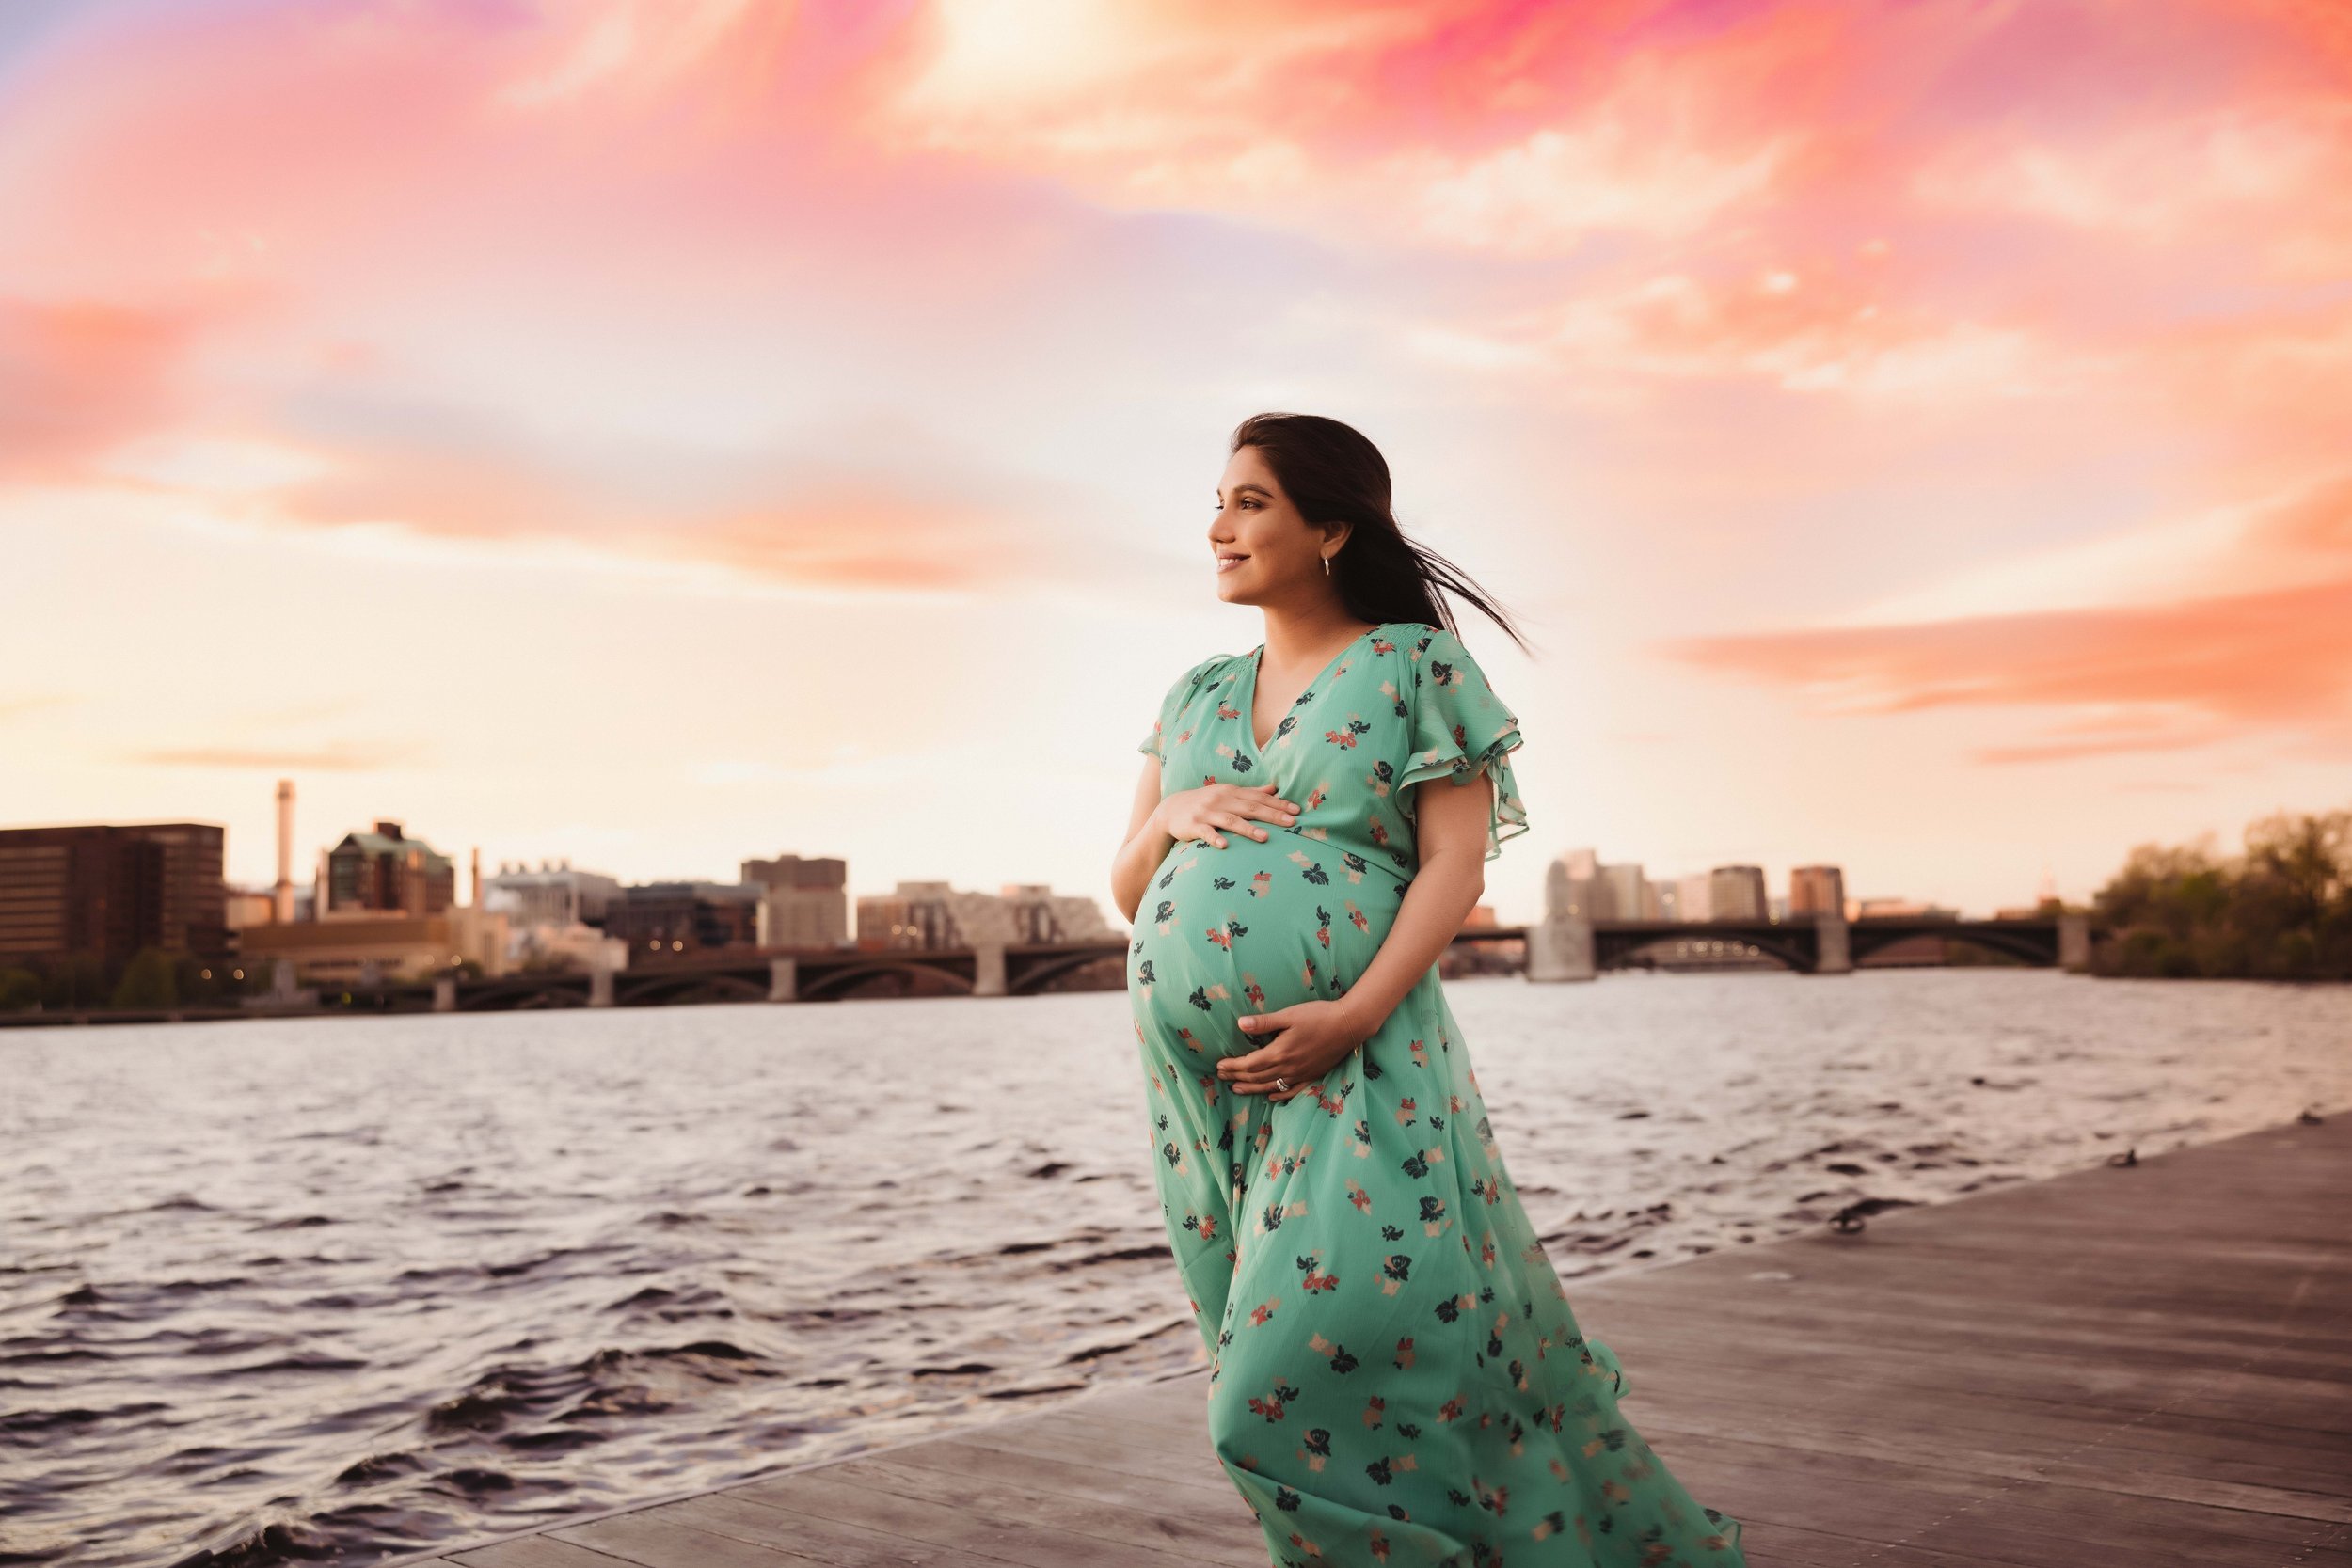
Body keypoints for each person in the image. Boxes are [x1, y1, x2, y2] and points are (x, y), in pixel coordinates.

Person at [1109, 413, 1749, 1566]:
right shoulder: (1193, 692)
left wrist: (1351, 1012)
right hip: (1203, 1094)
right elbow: (1123, 889)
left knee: (1271, 1394)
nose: (1218, 526)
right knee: (1331, 1383)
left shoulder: (1414, 663)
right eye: (1218, 500)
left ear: (1332, 527)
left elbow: (1454, 864)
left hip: (1361, 1060)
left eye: (1250, 501)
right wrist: (1165, 815)